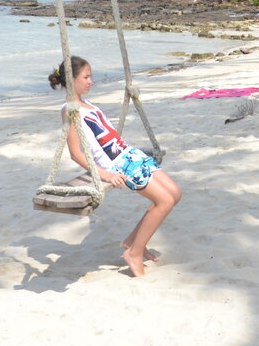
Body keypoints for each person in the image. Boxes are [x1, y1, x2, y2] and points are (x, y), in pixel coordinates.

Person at [48, 56, 181, 277]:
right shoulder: (70, 109)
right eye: (86, 77)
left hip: (129, 154)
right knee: (164, 201)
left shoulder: (87, 104)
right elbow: (75, 153)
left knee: (175, 194)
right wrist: (106, 175)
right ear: (72, 81)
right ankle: (134, 253)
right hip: (117, 164)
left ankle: (132, 242)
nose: (91, 81)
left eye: (91, 76)